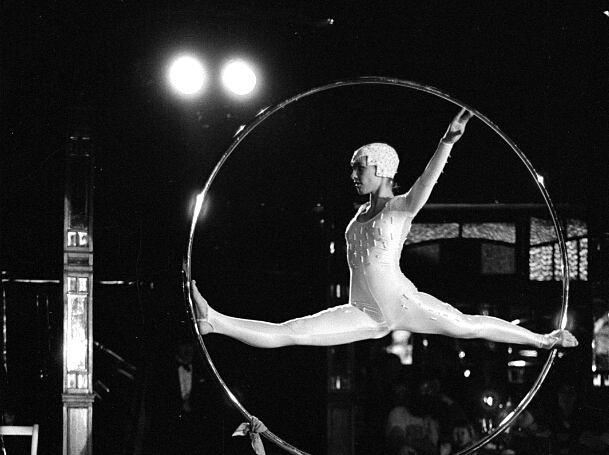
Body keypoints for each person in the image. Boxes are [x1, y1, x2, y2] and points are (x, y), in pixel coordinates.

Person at [191, 109, 578, 352]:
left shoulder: (400, 209)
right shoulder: (358, 214)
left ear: (381, 170)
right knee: (291, 332)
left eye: (359, 168)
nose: (353, 175)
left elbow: (427, 181)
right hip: (362, 311)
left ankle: (544, 339)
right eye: (353, 168)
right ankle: (215, 322)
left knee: (468, 326)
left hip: (402, 304)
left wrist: (446, 142)